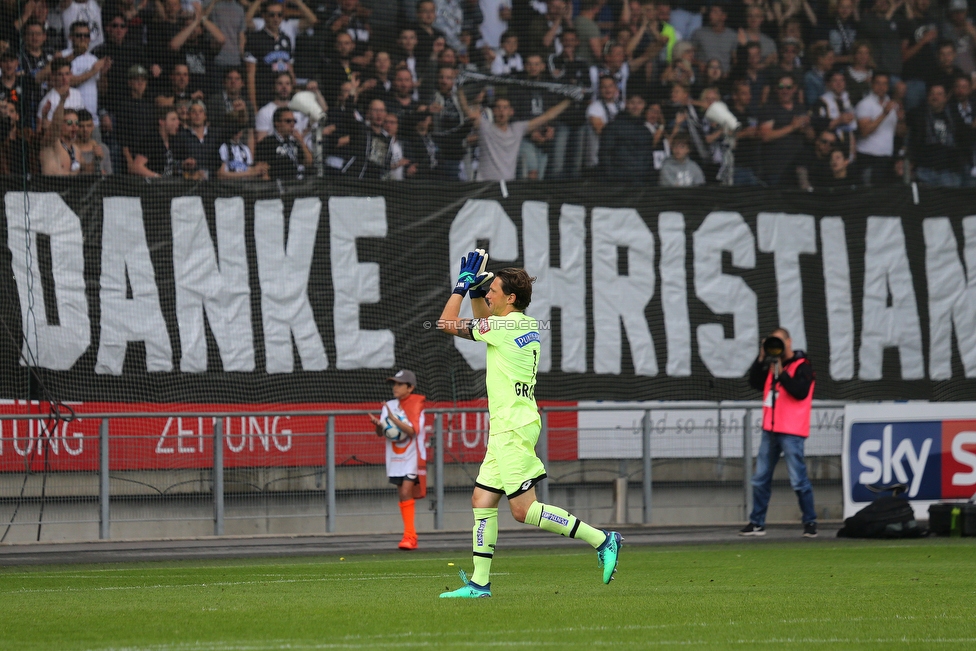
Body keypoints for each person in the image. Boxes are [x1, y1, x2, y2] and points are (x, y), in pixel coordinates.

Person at [437, 249, 622, 598]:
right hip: (511, 424)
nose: (487, 292)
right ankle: (479, 584)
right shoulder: (519, 324)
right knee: (482, 499)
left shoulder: (504, 327)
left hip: (512, 427)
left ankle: (602, 539)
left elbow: (447, 323)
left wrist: (461, 286)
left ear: (510, 298)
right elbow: (484, 323)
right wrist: (478, 294)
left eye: (493, 290)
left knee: (523, 510)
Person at [740, 327, 818, 538]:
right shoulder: (770, 366)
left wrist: (781, 373)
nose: (777, 347)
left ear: (789, 342)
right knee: (760, 477)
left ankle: (810, 522)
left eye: (779, 342)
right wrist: (761, 358)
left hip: (792, 431)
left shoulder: (803, 366)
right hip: (771, 429)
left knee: (798, 479)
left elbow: (800, 392)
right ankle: (757, 522)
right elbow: (754, 382)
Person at [368, 369, 427, 551]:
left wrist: (393, 419)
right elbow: (383, 433)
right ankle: (411, 536)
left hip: (412, 456)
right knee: (402, 494)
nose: (395, 387)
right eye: (394, 384)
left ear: (410, 388)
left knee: (407, 491)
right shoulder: (389, 405)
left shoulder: (416, 405)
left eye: (399, 384)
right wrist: (379, 426)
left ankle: (409, 536)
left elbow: (412, 431)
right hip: (395, 457)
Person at [471, 95, 570, 181]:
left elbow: (547, 116)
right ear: (494, 111)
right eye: (498, 107)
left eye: (505, 108)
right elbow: (469, 113)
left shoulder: (517, 129)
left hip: (506, 187)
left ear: (511, 111)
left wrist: (569, 100)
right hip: (485, 186)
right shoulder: (485, 127)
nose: (502, 111)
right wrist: (463, 93)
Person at [254, 106, 313, 180]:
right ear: (277, 123)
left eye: (294, 121)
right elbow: (263, 171)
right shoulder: (266, 143)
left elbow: (308, 162)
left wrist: (301, 142)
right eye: (288, 121)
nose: (292, 124)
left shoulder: (295, 143)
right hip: (279, 184)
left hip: (299, 183)